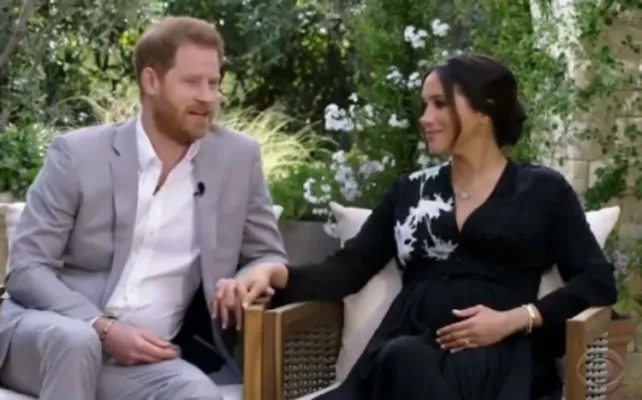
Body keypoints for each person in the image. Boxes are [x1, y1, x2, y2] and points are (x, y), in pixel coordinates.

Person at [221, 54, 618, 399]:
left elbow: (597, 280)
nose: (425, 118)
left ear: (485, 111)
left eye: (440, 104)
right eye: (424, 105)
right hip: (406, 354)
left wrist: (515, 319)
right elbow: (347, 269)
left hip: (499, 358)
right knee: (403, 358)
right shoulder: (410, 191)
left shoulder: (542, 191)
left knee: (406, 361)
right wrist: (276, 273)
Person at [0, 16, 287, 400]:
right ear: (151, 81)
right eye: (192, 82)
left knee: (198, 395)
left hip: (145, 358)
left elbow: (267, 254)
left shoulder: (238, 158)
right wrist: (101, 326)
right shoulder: (78, 155)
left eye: (214, 83)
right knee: (77, 342)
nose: (208, 97)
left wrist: (251, 275)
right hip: (46, 337)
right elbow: (26, 269)